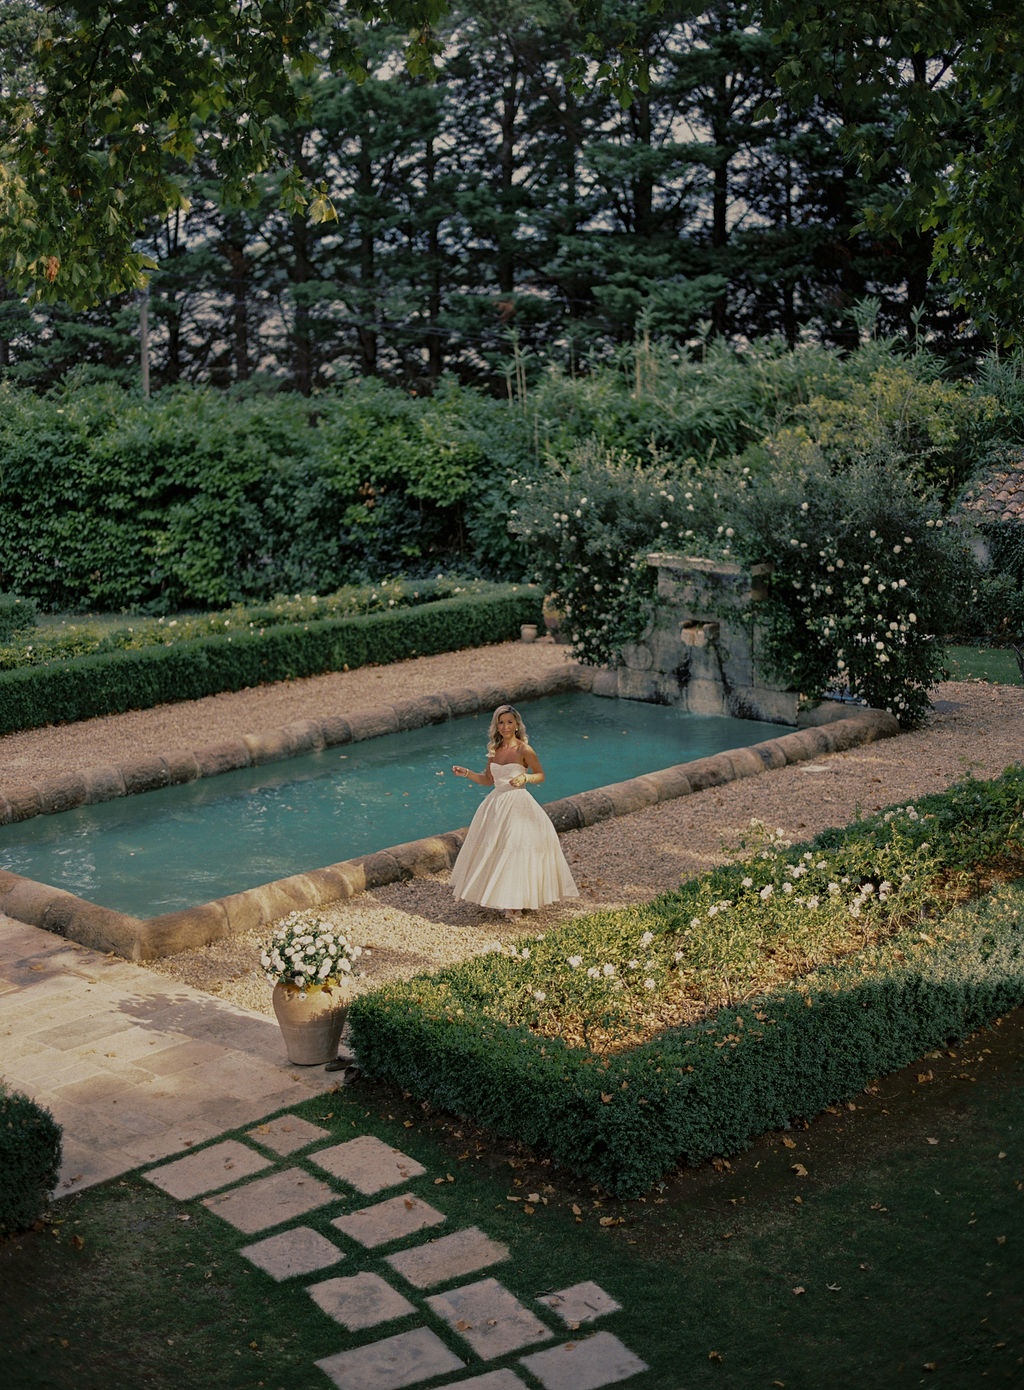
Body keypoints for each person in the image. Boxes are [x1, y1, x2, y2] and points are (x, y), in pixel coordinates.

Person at [449, 703, 578, 920]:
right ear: (496, 726)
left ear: (517, 724)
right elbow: (488, 780)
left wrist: (525, 777)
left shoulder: (524, 750)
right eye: (501, 722)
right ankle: (501, 895)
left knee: (515, 849)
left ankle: (517, 901)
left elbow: (540, 774)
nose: (505, 726)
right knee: (494, 850)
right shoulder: (494, 751)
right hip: (495, 805)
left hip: (518, 804)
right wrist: (466, 773)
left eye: (509, 722)